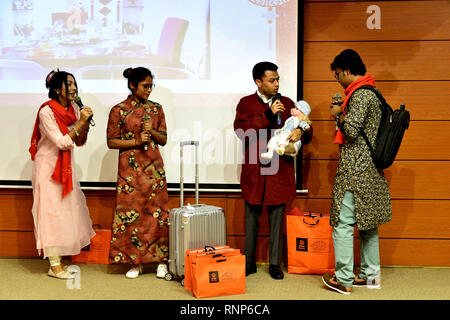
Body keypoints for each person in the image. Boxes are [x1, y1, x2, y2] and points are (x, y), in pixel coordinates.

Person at [234, 61, 313, 280]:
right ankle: (249, 262)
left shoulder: (287, 103)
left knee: (277, 218)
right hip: (255, 167)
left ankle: (275, 264)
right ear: (259, 82)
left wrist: (302, 134)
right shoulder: (246, 103)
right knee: (252, 218)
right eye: (272, 80)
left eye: (278, 79)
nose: (277, 84)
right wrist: (268, 114)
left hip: (280, 168)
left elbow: (305, 127)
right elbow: (241, 131)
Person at [322, 49, 392, 294]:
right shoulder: (373, 92)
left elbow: (350, 131)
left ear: (347, 70)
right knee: (368, 226)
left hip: (356, 172)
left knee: (342, 224)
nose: (337, 80)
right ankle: (370, 277)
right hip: (370, 170)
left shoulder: (361, 96)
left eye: (338, 74)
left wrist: (338, 114)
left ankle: (343, 280)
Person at [29, 70, 95, 279]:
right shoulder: (46, 112)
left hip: (66, 168)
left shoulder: (75, 107)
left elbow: (79, 141)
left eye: (75, 83)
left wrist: (85, 123)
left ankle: (59, 257)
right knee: (51, 214)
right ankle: (54, 265)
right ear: (57, 89)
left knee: (66, 212)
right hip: (48, 169)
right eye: (69, 84)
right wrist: (80, 123)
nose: (74, 87)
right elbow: (62, 142)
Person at [107, 67, 169, 279]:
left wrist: (150, 131)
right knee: (131, 217)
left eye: (151, 85)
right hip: (129, 172)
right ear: (132, 85)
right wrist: (136, 141)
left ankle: (161, 261)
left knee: (157, 215)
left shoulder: (157, 108)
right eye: (145, 86)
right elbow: (111, 141)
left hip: (153, 170)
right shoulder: (119, 109)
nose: (149, 90)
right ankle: (134, 262)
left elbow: (163, 139)